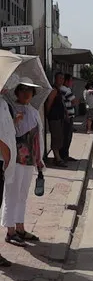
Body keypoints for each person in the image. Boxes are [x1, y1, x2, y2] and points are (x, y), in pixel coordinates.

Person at [3, 80, 44, 248]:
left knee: (23, 195)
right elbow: (6, 133)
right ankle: (10, 230)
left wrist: (39, 159)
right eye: (23, 90)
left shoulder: (34, 111)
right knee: (11, 195)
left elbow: (37, 137)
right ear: (17, 92)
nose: (26, 93)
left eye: (30, 90)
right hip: (14, 158)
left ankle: (20, 227)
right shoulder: (9, 109)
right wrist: (15, 121)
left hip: (29, 159)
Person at [45, 74, 75, 164]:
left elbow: (63, 104)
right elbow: (49, 103)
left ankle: (59, 157)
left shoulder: (59, 90)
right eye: (59, 78)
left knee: (60, 138)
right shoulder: (54, 90)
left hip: (60, 117)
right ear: (55, 79)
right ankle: (57, 158)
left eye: (62, 78)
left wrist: (65, 113)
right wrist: (47, 115)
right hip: (54, 117)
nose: (61, 80)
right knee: (56, 138)